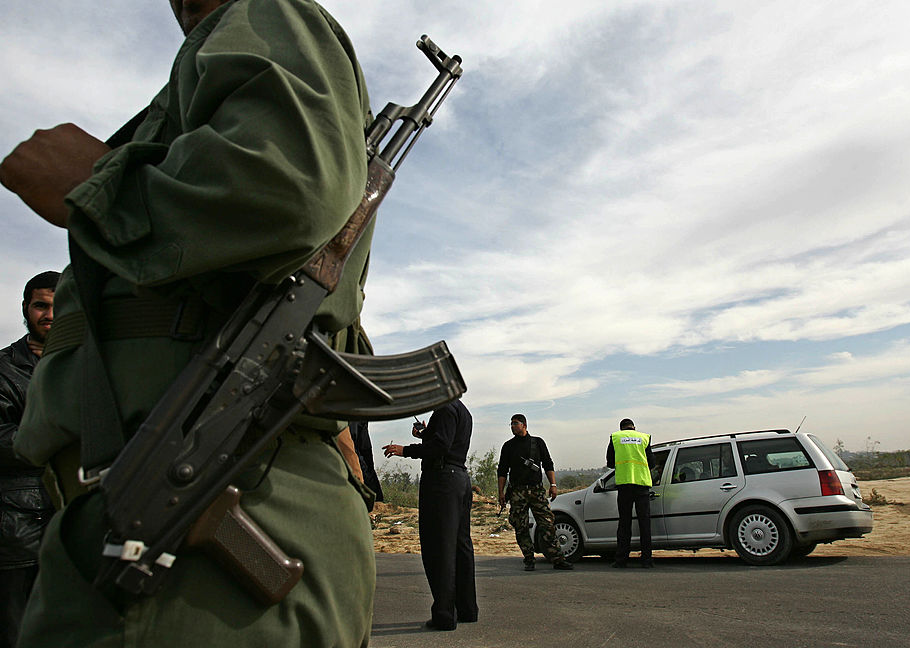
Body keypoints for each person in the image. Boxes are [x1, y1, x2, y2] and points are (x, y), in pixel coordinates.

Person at [0, 1, 378, 646]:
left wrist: (94, 185)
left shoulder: (264, 12)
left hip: (214, 505)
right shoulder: (219, 53)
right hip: (150, 502)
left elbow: (286, 189)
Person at [0, 271, 59, 648]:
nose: (49, 314)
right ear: (26, 309)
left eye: (59, 306)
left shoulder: (87, 368)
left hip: (73, 527)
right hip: (18, 527)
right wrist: (53, 440)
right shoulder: (4, 368)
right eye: (41, 305)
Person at [382, 399, 478, 631]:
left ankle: (444, 615)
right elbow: (443, 441)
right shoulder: (462, 410)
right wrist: (426, 434)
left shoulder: (445, 409)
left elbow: (441, 447)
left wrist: (406, 450)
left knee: (440, 547)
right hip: (459, 479)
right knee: (460, 545)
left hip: (442, 481)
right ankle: (467, 609)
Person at [497, 414, 573, 571]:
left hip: (537, 490)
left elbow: (548, 463)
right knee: (521, 526)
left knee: (547, 524)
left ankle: (557, 559)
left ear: (524, 425)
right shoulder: (508, 446)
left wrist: (553, 484)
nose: (512, 426)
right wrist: (501, 493)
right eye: (510, 424)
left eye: (515, 423)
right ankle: (529, 559)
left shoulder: (537, 443)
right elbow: (502, 471)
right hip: (517, 492)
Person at [606, 418, 655, 568]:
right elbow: (651, 463)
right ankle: (646, 560)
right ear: (634, 427)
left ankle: (621, 560)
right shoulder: (643, 438)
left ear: (621, 429)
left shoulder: (616, 438)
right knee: (644, 524)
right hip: (641, 485)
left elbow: (610, 462)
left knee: (624, 524)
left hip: (625, 485)